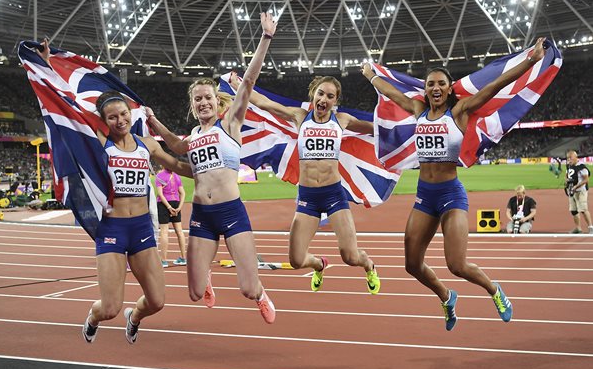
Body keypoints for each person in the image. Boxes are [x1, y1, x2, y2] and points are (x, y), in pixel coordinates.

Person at [361, 37, 548, 330]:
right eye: (430, 84)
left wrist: (531, 60)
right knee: (411, 265)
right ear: (425, 90)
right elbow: (391, 91)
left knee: (456, 265)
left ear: (449, 89)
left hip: (451, 194)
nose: (435, 88)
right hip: (425, 196)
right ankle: (447, 297)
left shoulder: (459, 112)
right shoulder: (417, 110)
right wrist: (371, 75)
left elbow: (494, 86)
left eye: (440, 84)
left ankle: (494, 290)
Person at [39, 40, 194, 345]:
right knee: (109, 308)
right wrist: (48, 66)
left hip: (141, 230)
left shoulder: (147, 144)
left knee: (157, 301)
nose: (120, 120)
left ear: (130, 113)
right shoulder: (99, 142)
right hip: (111, 228)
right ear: (104, 120)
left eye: (123, 114)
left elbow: (176, 163)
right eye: (113, 117)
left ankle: (134, 317)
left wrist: (208, 171)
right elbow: (67, 104)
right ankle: (93, 316)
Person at [146, 13, 277, 323]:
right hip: (201, 215)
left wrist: (265, 38)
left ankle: (261, 295)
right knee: (193, 293)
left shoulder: (230, 124)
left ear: (217, 103)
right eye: (197, 100)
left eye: (207, 98)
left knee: (247, 287)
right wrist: (153, 122)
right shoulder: (193, 136)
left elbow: (248, 83)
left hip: (231, 212)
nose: (203, 103)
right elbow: (177, 149)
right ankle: (205, 278)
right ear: (193, 105)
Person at [229, 77, 381, 295]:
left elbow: (377, 130)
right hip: (308, 197)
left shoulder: (342, 120)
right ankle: (319, 264)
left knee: (350, 256)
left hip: (334, 194)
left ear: (335, 100)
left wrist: (403, 129)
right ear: (313, 94)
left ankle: (369, 265)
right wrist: (240, 86)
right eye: (321, 93)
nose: (324, 99)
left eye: (330, 96)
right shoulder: (300, 116)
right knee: (297, 260)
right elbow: (264, 103)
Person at [155, 166, 187, 267]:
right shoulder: (177, 176)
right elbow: (182, 193)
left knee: (164, 231)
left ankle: (163, 260)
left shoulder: (159, 176)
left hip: (164, 205)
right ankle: (183, 257)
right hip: (176, 203)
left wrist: (168, 207)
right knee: (179, 231)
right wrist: (179, 207)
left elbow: (160, 194)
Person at [565, 150, 592, 234]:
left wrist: (576, 186)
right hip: (572, 191)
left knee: (583, 209)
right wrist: (566, 181)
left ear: (576, 157)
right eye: (568, 158)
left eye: (571, 158)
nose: (569, 160)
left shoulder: (581, 166)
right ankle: (578, 228)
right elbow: (566, 176)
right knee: (574, 210)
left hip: (581, 191)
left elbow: (586, 179)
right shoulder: (569, 166)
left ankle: (591, 227)